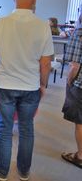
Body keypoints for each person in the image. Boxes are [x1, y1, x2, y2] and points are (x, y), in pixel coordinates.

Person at [0, 0, 53, 181]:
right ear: (35, 1)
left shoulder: (1, 22)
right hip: (30, 87)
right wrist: (43, 85)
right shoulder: (43, 26)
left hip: (4, 86)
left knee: (5, 129)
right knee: (26, 129)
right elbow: (46, 63)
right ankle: (24, 171)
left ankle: (2, 170)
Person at [61, 10, 82, 169]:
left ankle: (80, 156)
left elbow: (74, 66)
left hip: (79, 86)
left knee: (79, 122)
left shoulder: (79, 33)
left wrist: (69, 82)